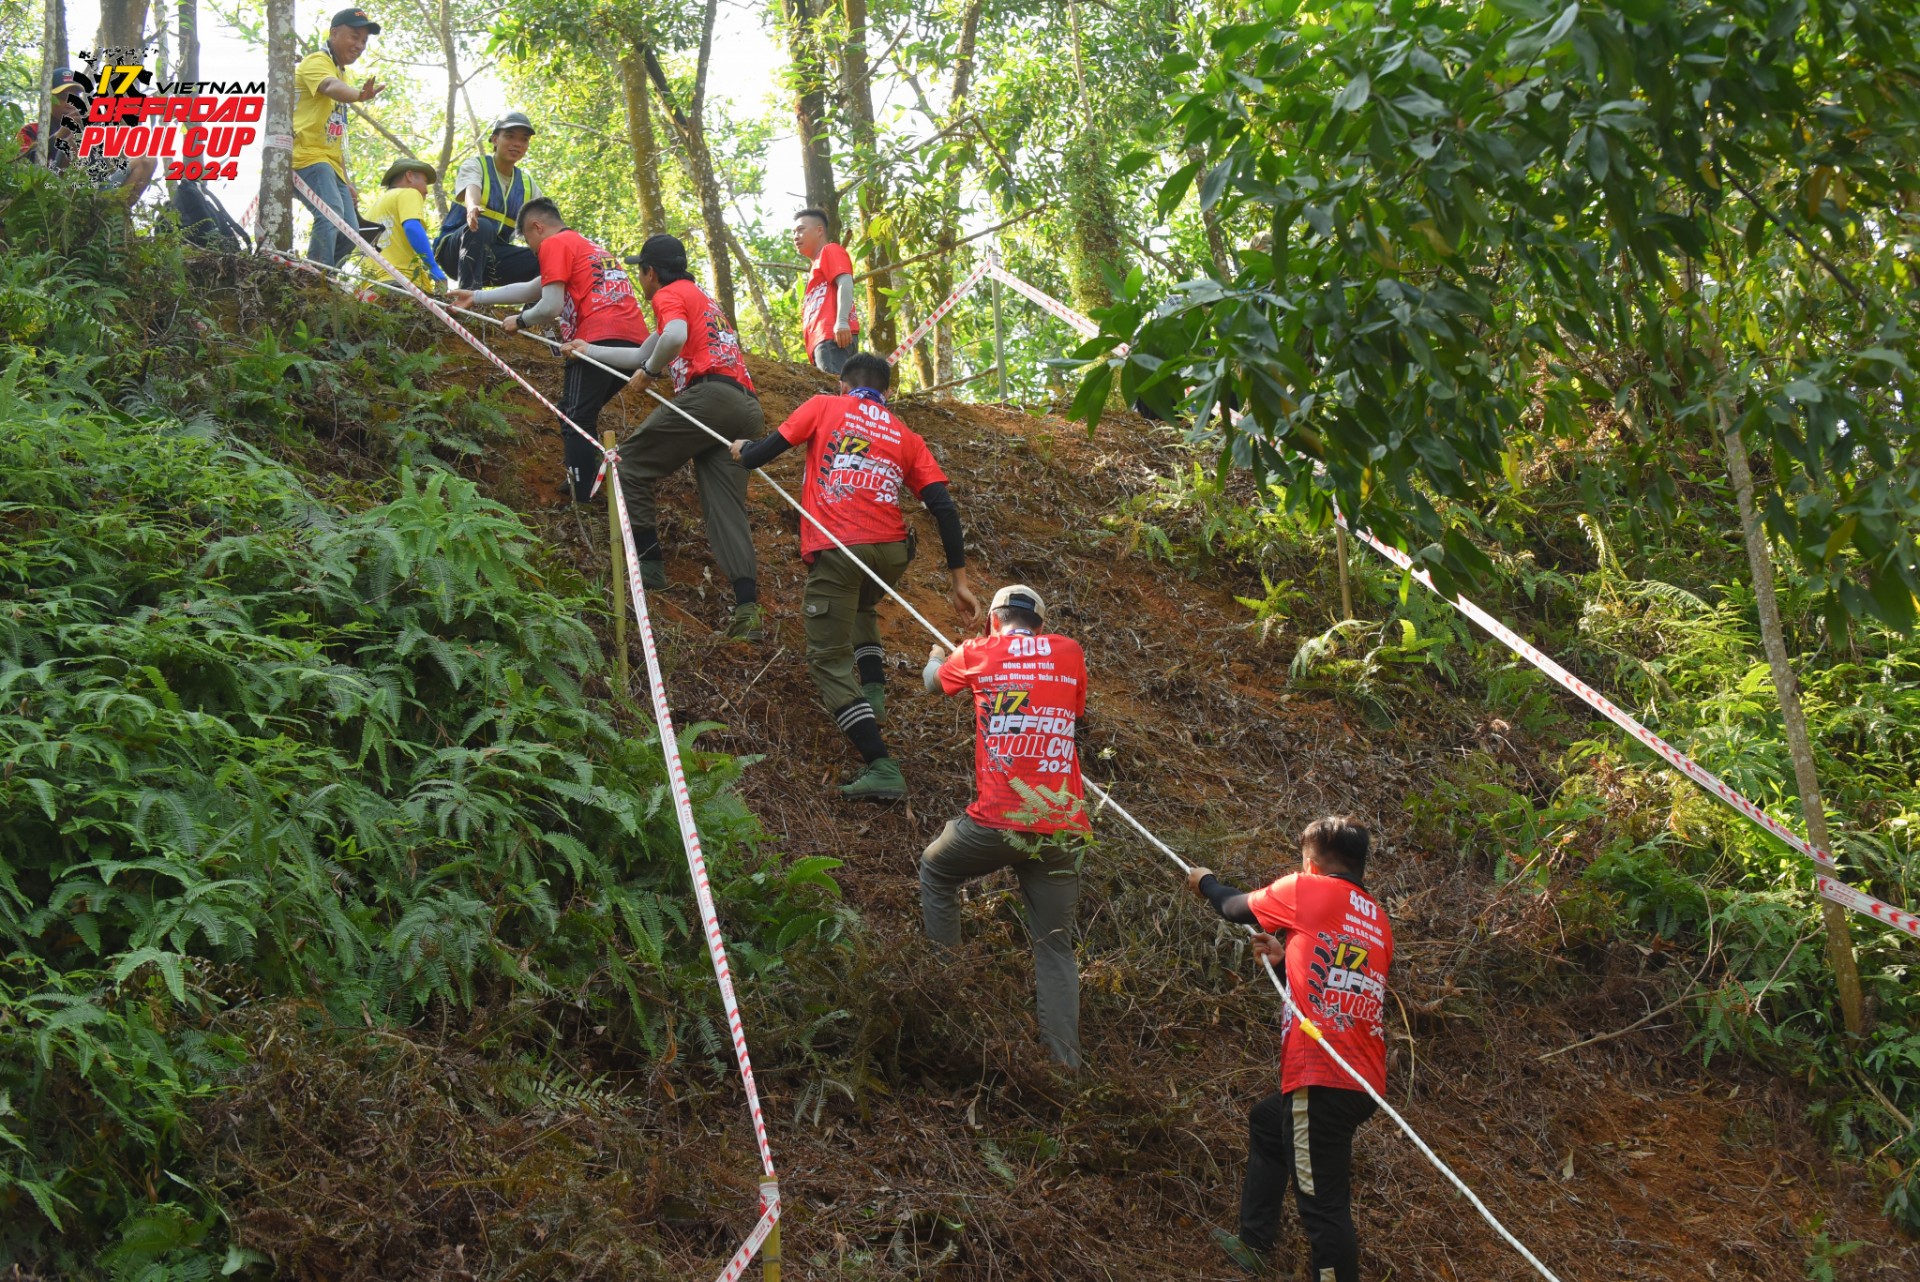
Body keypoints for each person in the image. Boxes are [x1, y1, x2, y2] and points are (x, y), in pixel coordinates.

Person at [728, 351, 980, 798]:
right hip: (891, 552)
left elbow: (759, 456)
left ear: (844, 384)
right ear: (888, 392)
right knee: (864, 602)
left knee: (826, 659)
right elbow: (943, 507)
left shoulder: (824, 405)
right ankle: (875, 693)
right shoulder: (905, 434)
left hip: (840, 548)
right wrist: (959, 581)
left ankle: (881, 765)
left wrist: (743, 451)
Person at [1184, 817, 1394, 1281]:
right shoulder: (1376, 919)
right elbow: (1337, 982)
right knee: (1268, 1121)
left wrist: (1205, 882)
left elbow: (1236, 908)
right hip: (1360, 1078)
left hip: (1320, 1075)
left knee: (1324, 1210)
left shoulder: (1307, 889)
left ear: (1311, 862)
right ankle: (1255, 1243)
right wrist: (1283, 967)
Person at [919, 585, 1091, 1068]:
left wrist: (939, 654)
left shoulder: (979, 651)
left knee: (936, 870)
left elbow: (934, 682)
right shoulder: (1070, 652)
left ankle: (944, 1006)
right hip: (1061, 825)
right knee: (1055, 948)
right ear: (1039, 623)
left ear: (994, 620)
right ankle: (1065, 1068)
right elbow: (1071, 711)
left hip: (999, 820)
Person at [562, 234, 765, 643]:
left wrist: (653, 373)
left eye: (642, 272)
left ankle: (650, 567)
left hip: (709, 397)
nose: (642, 280)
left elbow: (668, 342)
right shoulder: (701, 299)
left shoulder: (669, 294)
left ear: (650, 273)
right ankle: (748, 609)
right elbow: (642, 354)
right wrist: (588, 350)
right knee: (725, 509)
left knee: (626, 464)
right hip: (746, 409)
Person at [450, 197, 649, 507]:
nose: (531, 250)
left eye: (529, 241)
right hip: (632, 343)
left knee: (574, 417)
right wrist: (476, 296)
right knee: (573, 409)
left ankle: (583, 498)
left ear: (537, 227)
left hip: (596, 337)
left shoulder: (555, 245)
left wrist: (521, 320)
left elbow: (550, 306)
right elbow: (533, 288)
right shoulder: (585, 247)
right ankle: (582, 476)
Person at [294, 8, 384, 266]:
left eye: (364, 41)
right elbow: (330, 87)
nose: (359, 45)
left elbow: (334, 135)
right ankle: (312, 280)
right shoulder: (317, 62)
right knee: (331, 215)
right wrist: (358, 95)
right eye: (354, 37)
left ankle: (325, 280)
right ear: (334, 33)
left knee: (351, 232)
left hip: (329, 163)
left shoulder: (340, 71)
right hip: (307, 157)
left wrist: (346, 181)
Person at [434, 111, 542, 290]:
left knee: (548, 256)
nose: (517, 144)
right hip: (456, 251)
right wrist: (472, 207)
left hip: (494, 259)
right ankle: (469, 296)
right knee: (481, 226)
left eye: (524, 139)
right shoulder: (476, 166)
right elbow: (471, 188)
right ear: (494, 140)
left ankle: (531, 316)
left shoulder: (528, 185)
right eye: (509, 136)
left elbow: (544, 221)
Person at [25, 67, 157, 206]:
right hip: (54, 194)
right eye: (63, 97)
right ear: (48, 99)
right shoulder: (32, 130)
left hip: (94, 195)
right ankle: (70, 212)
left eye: (74, 97)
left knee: (147, 160)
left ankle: (114, 215)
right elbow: (23, 164)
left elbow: (106, 169)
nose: (70, 102)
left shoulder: (91, 130)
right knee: (74, 140)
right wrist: (62, 134)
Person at [360, 158, 447, 289]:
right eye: (424, 182)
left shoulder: (370, 211)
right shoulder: (408, 193)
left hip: (370, 288)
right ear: (410, 176)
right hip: (402, 281)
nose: (426, 191)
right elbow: (412, 228)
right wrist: (434, 268)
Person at [793, 208, 858, 375]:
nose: (795, 236)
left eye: (801, 230)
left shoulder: (830, 250)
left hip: (832, 337)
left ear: (819, 230)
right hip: (825, 340)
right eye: (793, 232)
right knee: (839, 392)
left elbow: (845, 281)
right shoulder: (815, 267)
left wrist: (842, 322)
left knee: (834, 393)